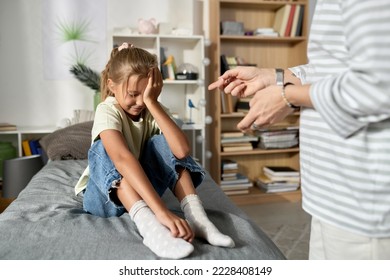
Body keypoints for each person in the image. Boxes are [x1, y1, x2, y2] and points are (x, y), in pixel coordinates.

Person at [208, 0, 390, 260]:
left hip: (363, 199)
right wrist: (273, 76)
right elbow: (335, 67)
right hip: (330, 192)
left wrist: (287, 96)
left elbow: (378, 84)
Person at [75, 42, 234, 259]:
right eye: (133, 94)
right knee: (103, 148)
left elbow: (182, 151)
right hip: (104, 199)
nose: (140, 101)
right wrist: (161, 212)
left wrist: (153, 102)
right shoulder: (107, 110)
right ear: (112, 86)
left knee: (161, 141)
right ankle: (149, 228)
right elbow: (122, 159)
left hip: (141, 190)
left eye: (146, 93)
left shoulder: (150, 107)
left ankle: (197, 218)